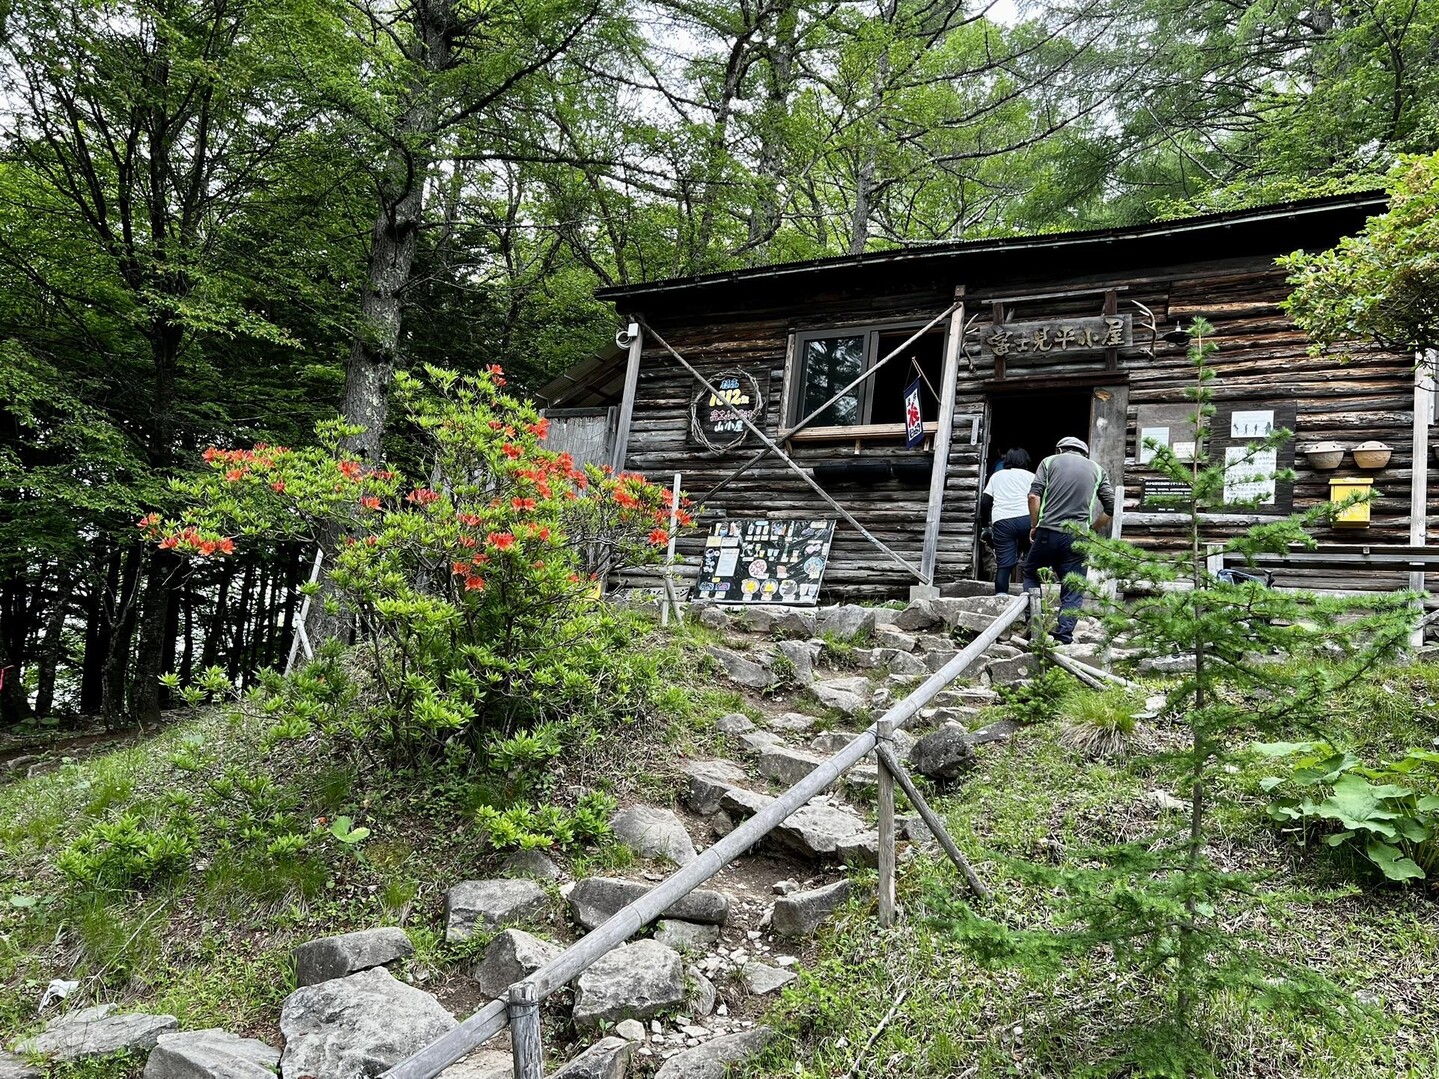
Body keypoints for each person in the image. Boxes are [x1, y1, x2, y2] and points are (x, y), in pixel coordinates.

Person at [1024, 436, 1115, 645]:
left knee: (1031, 574)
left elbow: (1033, 496)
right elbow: (1111, 506)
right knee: (1073, 585)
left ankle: (1034, 626)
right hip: (1078, 535)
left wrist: (1034, 524)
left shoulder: (1048, 462)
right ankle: (1063, 636)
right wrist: (1092, 529)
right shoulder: (1098, 469)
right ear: (1084, 453)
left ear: (1060, 450)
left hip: (1048, 531)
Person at [979, 448, 1036, 594]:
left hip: (1003, 522)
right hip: (1026, 520)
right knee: (1030, 563)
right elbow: (1038, 500)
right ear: (1026, 461)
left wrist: (985, 526)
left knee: (1004, 565)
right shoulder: (1032, 477)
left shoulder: (997, 476)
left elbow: (985, 502)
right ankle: (1031, 600)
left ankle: (1001, 599)